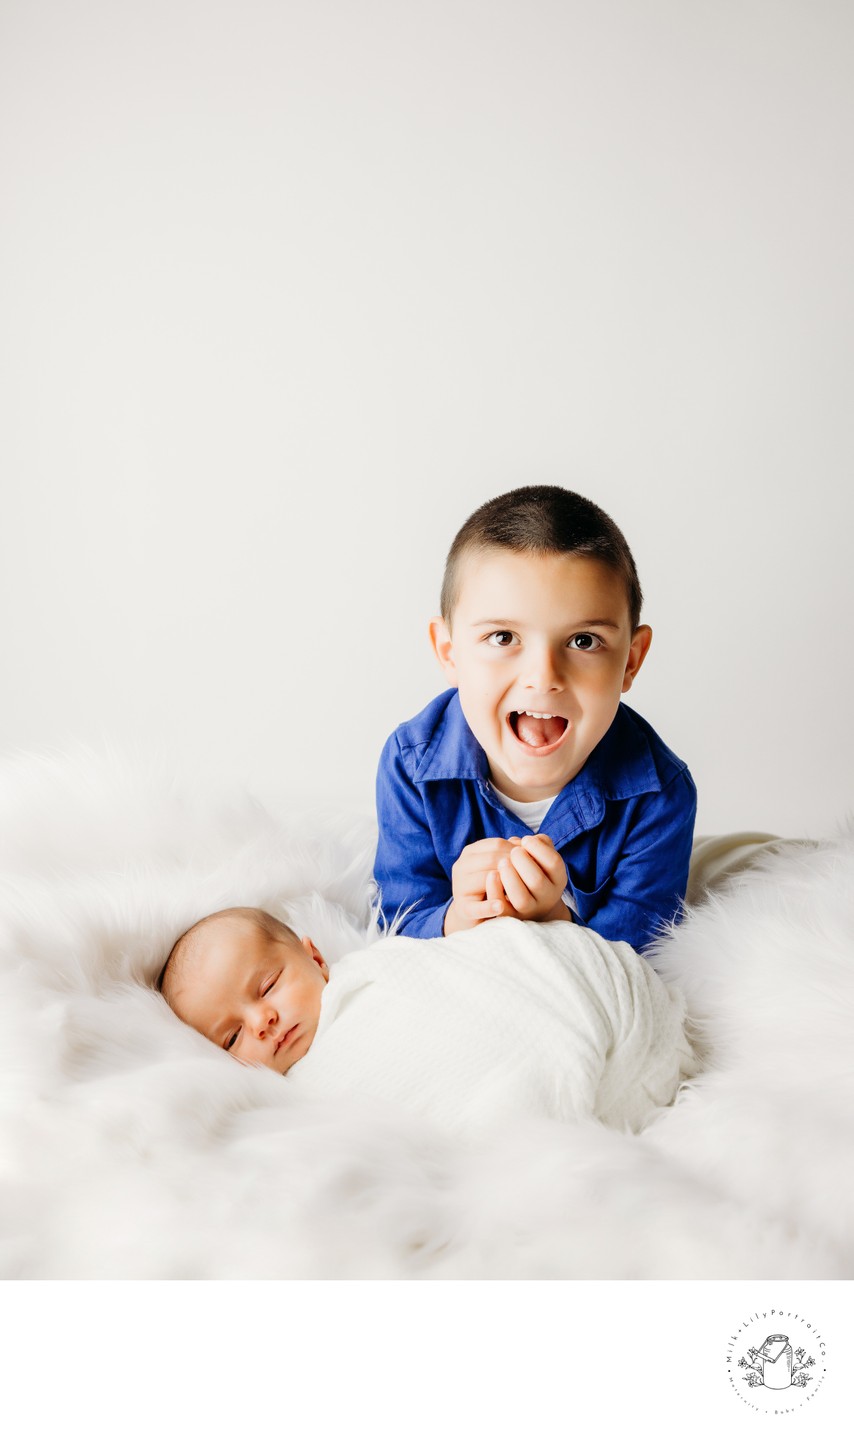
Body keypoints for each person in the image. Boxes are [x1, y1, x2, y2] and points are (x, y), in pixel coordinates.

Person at [373, 485, 697, 951]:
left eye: (583, 641)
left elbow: (641, 957)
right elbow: (395, 924)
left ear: (630, 660)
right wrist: (458, 917)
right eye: (503, 637)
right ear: (450, 653)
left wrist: (556, 919)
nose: (543, 678)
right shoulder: (412, 767)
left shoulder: (659, 795)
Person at [157, 906, 697, 1136]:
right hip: (562, 1120)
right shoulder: (299, 1102)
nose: (264, 1021)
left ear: (315, 958)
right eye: (232, 1036)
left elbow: (479, 970)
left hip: (615, 1016)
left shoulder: (384, 970)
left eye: (267, 986)